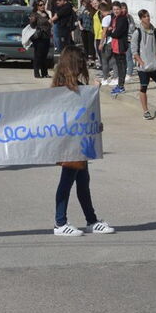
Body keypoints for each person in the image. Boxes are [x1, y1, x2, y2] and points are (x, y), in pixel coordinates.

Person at [50, 45, 114, 237]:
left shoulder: (74, 86)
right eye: (79, 63)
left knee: (83, 181)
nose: (82, 67)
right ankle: (60, 222)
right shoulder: (63, 89)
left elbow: (84, 114)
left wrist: (94, 125)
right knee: (67, 181)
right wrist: (92, 92)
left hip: (79, 142)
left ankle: (91, 220)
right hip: (70, 143)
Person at [132, 9, 156, 119]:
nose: (147, 18)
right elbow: (134, 50)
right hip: (143, 67)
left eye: (148, 16)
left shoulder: (155, 31)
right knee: (143, 88)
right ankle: (146, 111)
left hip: (154, 65)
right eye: (144, 16)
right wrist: (141, 62)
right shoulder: (137, 32)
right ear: (141, 19)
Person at [107, 1, 129, 95]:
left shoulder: (123, 19)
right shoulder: (115, 18)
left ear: (121, 9)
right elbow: (111, 28)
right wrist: (110, 31)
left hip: (120, 45)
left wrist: (110, 32)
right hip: (115, 44)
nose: (116, 11)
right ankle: (119, 84)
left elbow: (117, 33)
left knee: (122, 66)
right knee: (119, 65)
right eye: (114, 9)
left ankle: (121, 86)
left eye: (117, 9)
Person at [28, 1, 53, 79]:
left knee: (44, 56)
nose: (42, 6)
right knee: (38, 55)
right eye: (40, 5)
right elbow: (32, 25)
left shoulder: (46, 14)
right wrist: (32, 20)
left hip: (46, 37)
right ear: (37, 6)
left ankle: (44, 73)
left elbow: (49, 23)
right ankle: (36, 73)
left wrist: (50, 22)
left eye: (43, 4)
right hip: (39, 37)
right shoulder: (34, 14)